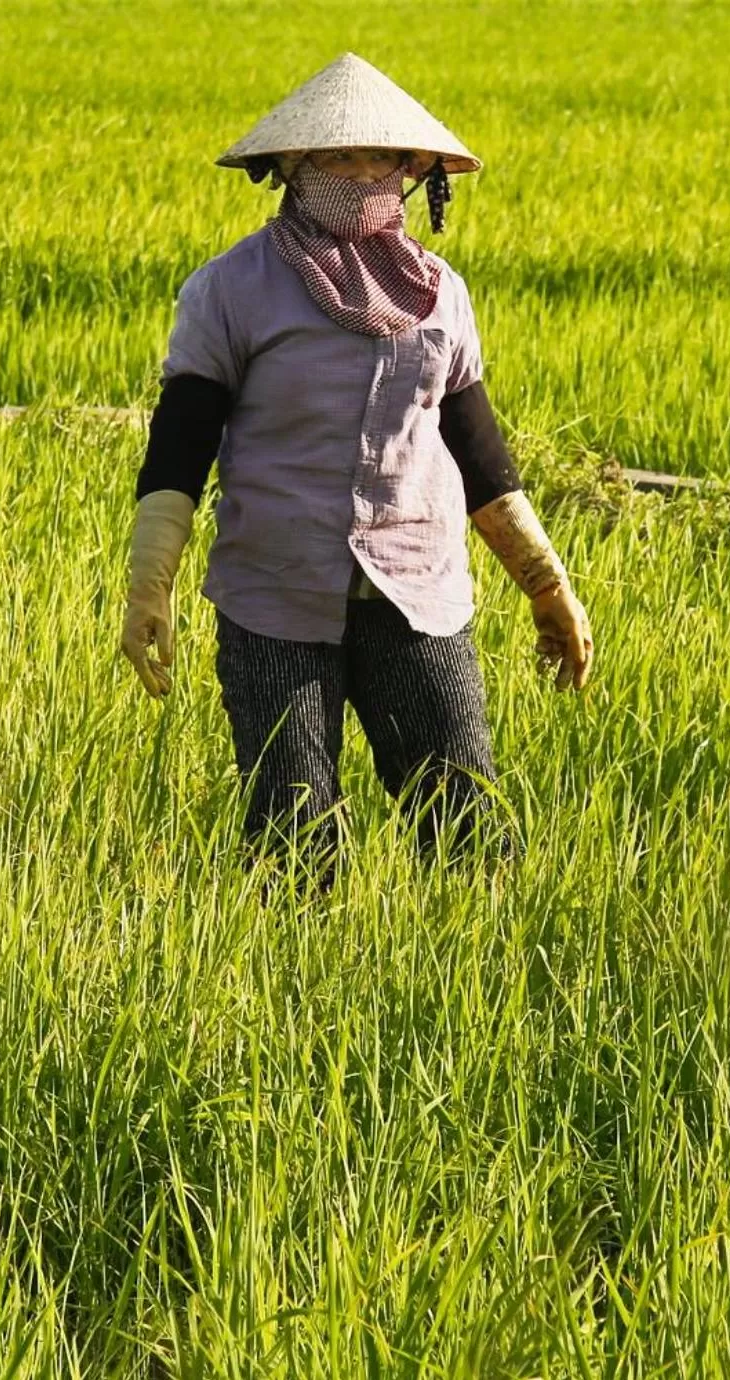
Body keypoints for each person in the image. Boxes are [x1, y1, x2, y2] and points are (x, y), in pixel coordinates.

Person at [117, 54, 591, 864]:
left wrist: (548, 588)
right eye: (341, 157)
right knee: (292, 834)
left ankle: (467, 975)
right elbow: (180, 449)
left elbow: (478, 453)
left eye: (384, 159)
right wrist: (148, 584)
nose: (365, 174)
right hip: (276, 594)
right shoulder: (230, 290)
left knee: (466, 828)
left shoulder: (441, 294)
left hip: (416, 591)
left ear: (413, 172)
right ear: (294, 167)